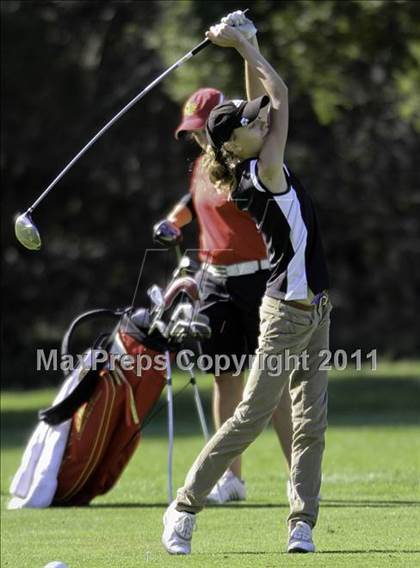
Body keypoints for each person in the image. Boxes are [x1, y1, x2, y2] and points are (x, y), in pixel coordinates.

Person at [161, 12, 331, 555]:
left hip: (317, 310)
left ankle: (300, 524)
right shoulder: (265, 170)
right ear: (234, 144)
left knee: (310, 426)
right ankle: (185, 506)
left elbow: (265, 99)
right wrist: (243, 43)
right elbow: (278, 92)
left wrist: (245, 48)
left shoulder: (249, 156)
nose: (262, 125)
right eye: (250, 126)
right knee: (249, 419)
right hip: (285, 316)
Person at [154, 83, 293, 502]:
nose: (197, 137)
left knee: (274, 384)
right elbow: (193, 200)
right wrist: (172, 221)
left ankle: (297, 476)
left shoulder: (248, 161)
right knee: (225, 377)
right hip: (215, 281)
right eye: (192, 131)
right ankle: (231, 479)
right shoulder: (202, 165)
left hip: (260, 279)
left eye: (202, 129)